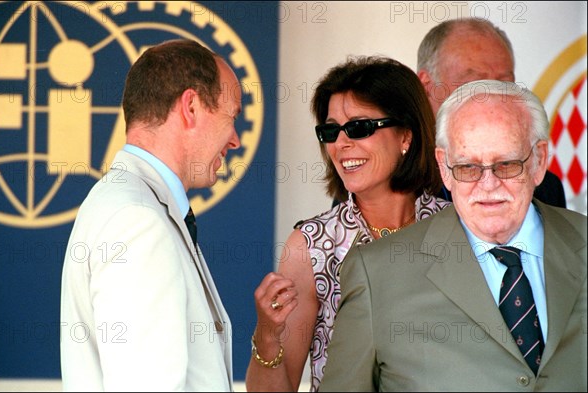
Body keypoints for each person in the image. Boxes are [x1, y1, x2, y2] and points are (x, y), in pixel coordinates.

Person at [319, 80, 587, 391]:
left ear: (539, 161)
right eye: (468, 167)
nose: (488, 185)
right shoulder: (376, 274)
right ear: (444, 169)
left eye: (506, 165)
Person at [245, 56, 450, 392]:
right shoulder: (311, 245)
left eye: (359, 127)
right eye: (330, 130)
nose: (341, 143)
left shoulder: (457, 228)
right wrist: (267, 335)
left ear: (406, 137)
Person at [60, 39, 241, 391]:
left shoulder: (131, 204)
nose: (234, 139)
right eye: (231, 115)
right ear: (191, 106)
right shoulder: (137, 221)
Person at [417, 17, 567, 208]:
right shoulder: (398, 185)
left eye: (504, 84)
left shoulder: (544, 187)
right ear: (427, 86)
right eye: (474, 85)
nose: (493, 98)